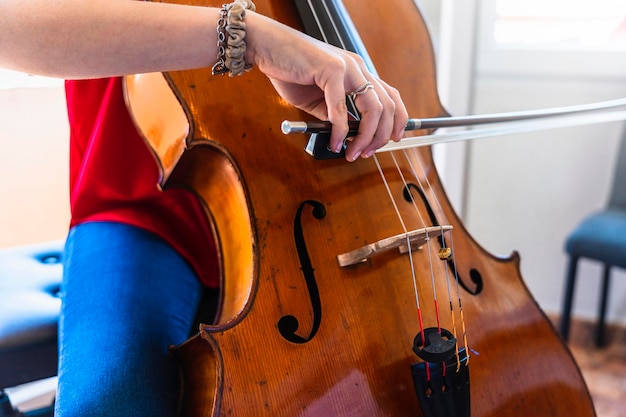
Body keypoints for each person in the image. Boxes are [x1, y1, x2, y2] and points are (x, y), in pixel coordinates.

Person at [0, 0, 408, 415]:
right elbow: (8, 27)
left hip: (325, 202)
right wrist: (251, 37)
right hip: (145, 214)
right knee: (109, 405)